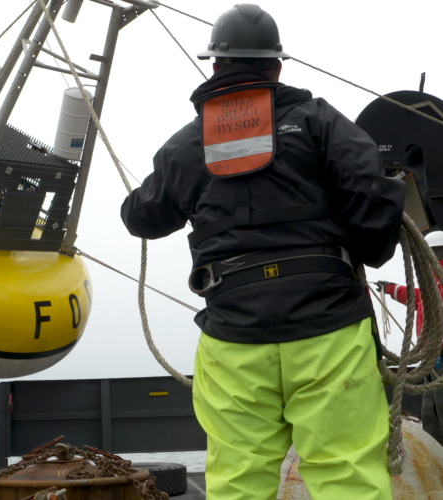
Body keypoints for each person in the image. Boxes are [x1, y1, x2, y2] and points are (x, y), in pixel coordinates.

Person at [120, 4, 406, 499]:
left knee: (238, 481)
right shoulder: (318, 121)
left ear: (216, 67)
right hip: (328, 329)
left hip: (233, 337)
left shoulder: (189, 146)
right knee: (348, 478)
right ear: (276, 67)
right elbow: (373, 198)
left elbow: (140, 217)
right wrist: (366, 253)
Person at [377, 230, 443, 445]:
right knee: (431, 408)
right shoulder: (430, 281)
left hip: (438, 353)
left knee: (437, 408)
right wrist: (390, 289)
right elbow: (416, 297)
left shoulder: (436, 280)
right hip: (431, 356)